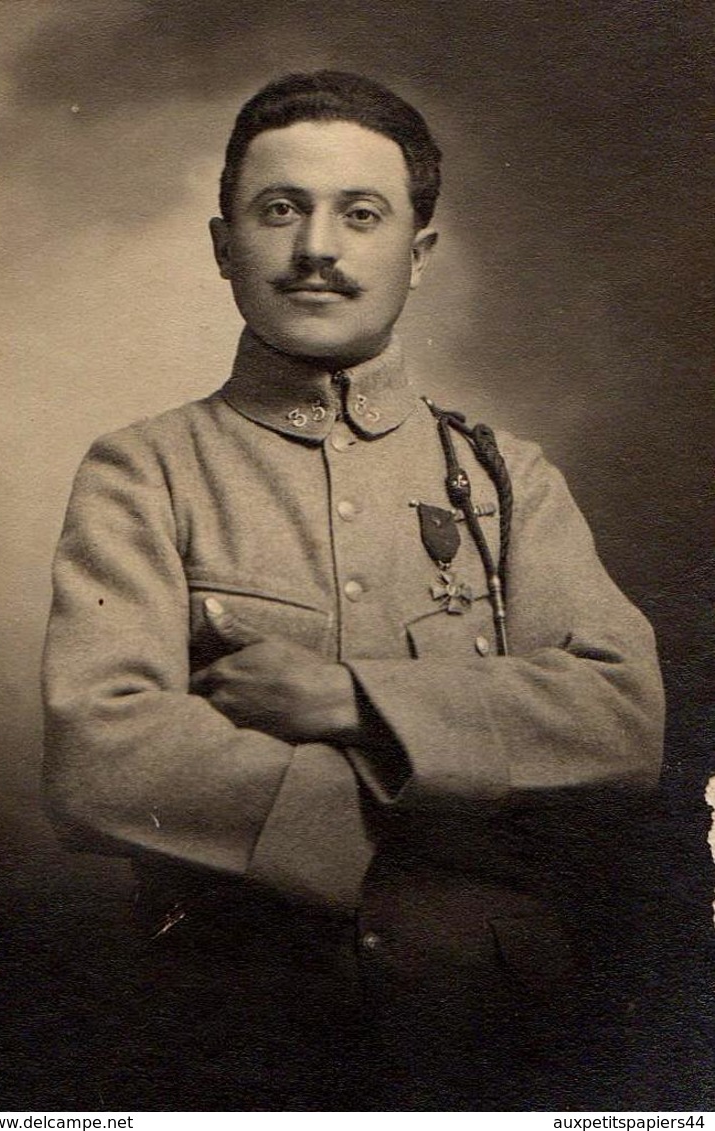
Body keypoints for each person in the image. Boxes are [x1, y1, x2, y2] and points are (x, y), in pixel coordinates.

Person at [42, 71, 664, 1110]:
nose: (315, 248)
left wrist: (351, 702)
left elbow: (623, 718)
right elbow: (99, 753)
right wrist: (423, 798)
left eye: (359, 214)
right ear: (222, 244)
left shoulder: (512, 479)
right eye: (278, 209)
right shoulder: (142, 472)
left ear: (416, 254)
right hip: (235, 1026)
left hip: (492, 1032)